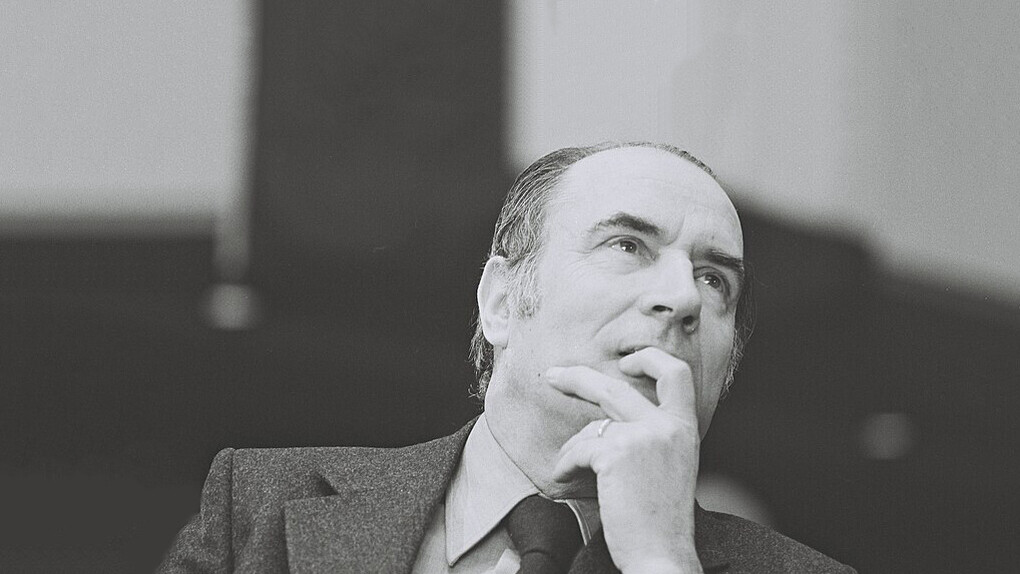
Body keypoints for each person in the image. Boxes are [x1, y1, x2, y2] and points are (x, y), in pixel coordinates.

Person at [159, 142, 855, 573]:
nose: (682, 298)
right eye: (628, 246)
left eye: (715, 279)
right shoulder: (265, 509)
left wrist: (661, 561)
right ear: (500, 300)